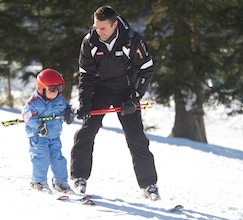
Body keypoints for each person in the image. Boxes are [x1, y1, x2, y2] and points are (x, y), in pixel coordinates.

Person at [70, 6, 160, 200]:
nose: (98, 32)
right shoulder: (90, 41)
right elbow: (85, 75)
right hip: (99, 90)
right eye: (96, 27)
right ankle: (79, 177)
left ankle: (149, 185)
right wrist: (85, 103)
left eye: (103, 28)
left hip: (125, 91)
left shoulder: (131, 39)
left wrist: (134, 98)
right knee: (87, 131)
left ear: (115, 24)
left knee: (136, 136)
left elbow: (147, 69)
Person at [22, 68, 75, 194]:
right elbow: (27, 115)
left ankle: (60, 182)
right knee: (41, 157)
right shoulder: (33, 103)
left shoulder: (60, 101)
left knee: (58, 158)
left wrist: (69, 113)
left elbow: (66, 109)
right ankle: (38, 182)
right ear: (42, 88)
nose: (56, 92)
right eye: (52, 89)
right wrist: (39, 125)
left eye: (59, 89)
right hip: (38, 136)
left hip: (54, 136)